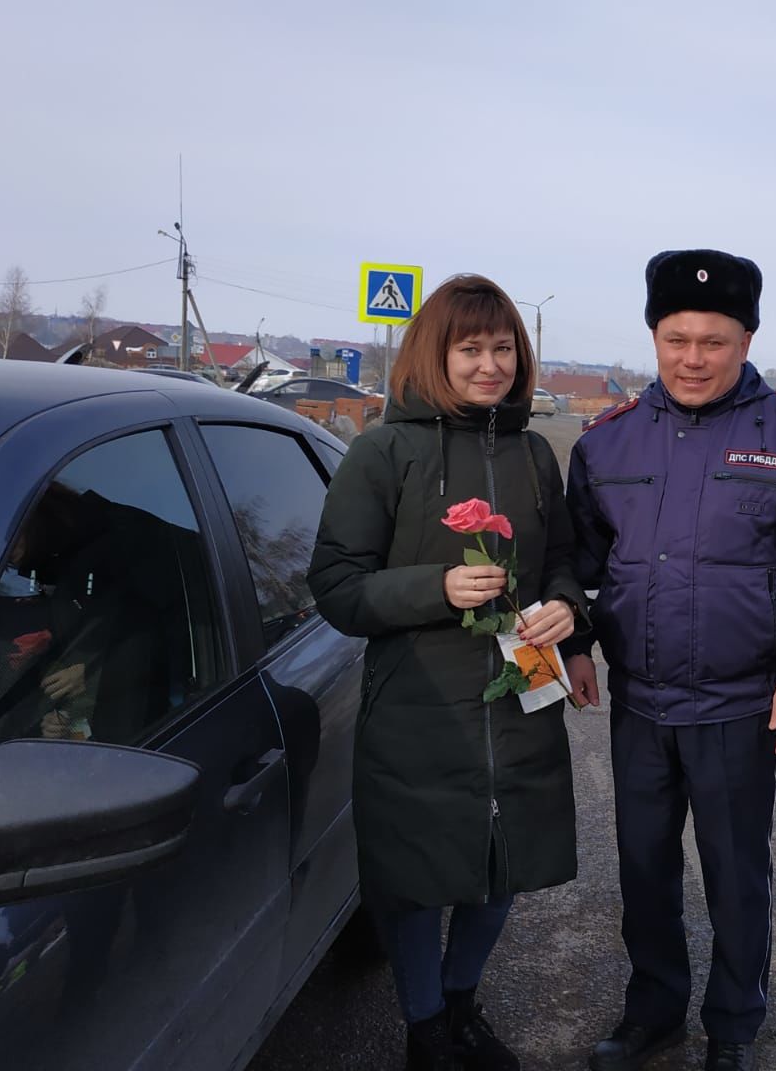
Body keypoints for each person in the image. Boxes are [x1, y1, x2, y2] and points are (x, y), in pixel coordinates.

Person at [566, 249, 776, 1071]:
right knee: (645, 873)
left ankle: (732, 1027)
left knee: (736, 878)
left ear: (747, 339)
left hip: (739, 708)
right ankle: (653, 1009)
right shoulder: (606, 444)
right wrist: (578, 644)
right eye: (678, 339)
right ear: (655, 335)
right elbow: (576, 566)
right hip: (641, 704)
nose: (694, 359)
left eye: (715, 342)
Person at [307, 274, 596, 1071]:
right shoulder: (382, 451)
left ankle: (462, 1002)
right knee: (415, 875)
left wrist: (572, 617)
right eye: (470, 349)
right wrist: (432, 588)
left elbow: (566, 564)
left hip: (518, 693)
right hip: (418, 703)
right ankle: (425, 1025)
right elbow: (335, 585)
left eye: (502, 347)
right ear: (435, 354)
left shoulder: (535, 453)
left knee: (502, 861)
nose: (489, 365)